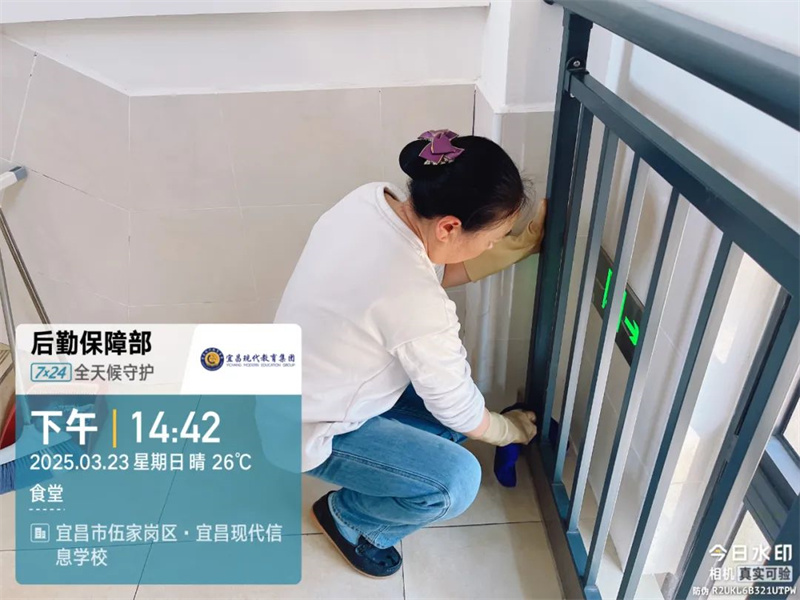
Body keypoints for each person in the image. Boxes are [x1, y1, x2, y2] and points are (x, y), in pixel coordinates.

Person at [275, 129, 547, 578]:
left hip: (300, 383)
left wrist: (518, 249)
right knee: (457, 480)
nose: (494, 244)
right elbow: (458, 408)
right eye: (496, 236)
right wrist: (509, 431)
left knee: (456, 417)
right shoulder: (415, 302)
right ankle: (350, 518)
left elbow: (425, 272)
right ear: (449, 227)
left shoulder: (368, 203)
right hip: (306, 427)